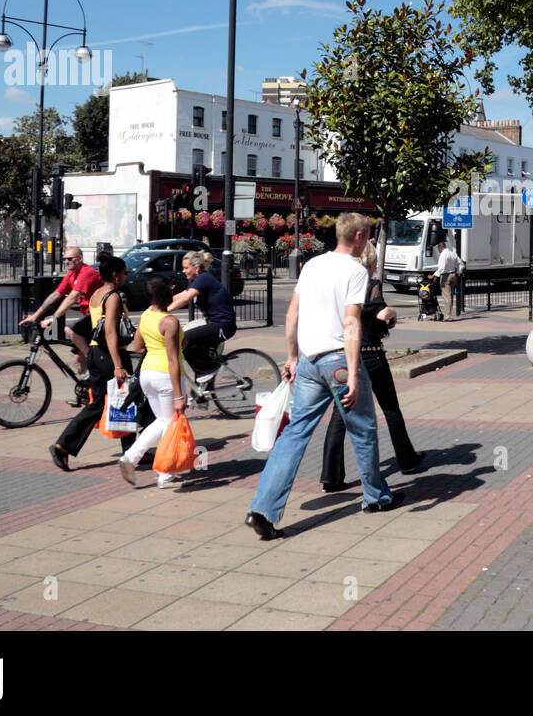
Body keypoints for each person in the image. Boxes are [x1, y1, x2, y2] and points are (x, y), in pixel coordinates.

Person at [246, 212, 397, 540]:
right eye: (368, 235)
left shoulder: (312, 265)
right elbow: (352, 323)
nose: (370, 240)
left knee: (295, 434)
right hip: (339, 360)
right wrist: (354, 374)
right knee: (363, 430)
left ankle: (262, 508)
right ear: (357, 236)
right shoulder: (355, 271)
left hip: (310, 362)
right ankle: (375, 496)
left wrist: (291, 357)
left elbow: (292, 314)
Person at [320, 241, 424, 491]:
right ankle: (407, 460)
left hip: (344, 356)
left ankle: (331, 477)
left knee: (339, 416)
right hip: (370, 355)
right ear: (370, 262)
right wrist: (392, 313)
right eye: (375, 261)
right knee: (390, 409)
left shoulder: (339, 285)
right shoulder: (369, 283)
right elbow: (380, 312)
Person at [49, 254, 137, 471]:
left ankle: (63, 445)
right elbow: (110, 332)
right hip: (111, 354)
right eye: (124, 272)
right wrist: (118, 364)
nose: (126, 276)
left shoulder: (98, 293)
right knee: (130, 398)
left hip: (95, 353)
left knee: (98, 404)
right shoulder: (114, 296)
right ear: (115, 275)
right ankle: (133, 451)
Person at [121, 278, 187, 489]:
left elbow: (138, 345)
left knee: (162, 421)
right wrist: (178, 395)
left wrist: (155, 346)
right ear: (167, 295)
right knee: (170, 423)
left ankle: (130, 458)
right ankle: (165, 475)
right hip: (166, 375)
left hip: (147, 373)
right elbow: (173, 358)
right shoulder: (170, 322)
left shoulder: (146, 315)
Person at [20, 246, 102, 374]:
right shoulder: (71, 275)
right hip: (88, 316)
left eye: (70, 259)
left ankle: (94, 361)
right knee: (79, 359)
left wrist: (52, 318)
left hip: (100, 315)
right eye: (64, 259)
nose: (66, 262)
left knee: (69, 329)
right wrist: (35, 316)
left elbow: (71, 298)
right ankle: (86, 387)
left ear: (80, 259)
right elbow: (55, 295)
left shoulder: (87, 273)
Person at [168, 250, 235, 381]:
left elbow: (186, 298)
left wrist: (164, 311)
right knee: (197, 353)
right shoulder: (200, 279)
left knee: (184, 339)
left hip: (223, 326)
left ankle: (210, 370)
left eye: (186, 268)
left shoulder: (204, 278)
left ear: (197, 268)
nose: (183, 271)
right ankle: (203, 393)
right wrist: (160, 303)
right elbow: (181, 295)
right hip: (214, 323)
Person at [433, 238, 461, 321]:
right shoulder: (453, 253)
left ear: (440, 247)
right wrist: (458, 271)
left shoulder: (443, 254)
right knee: (450, 295)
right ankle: (449, 314)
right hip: (453, 275)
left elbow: (441, 267)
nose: (439, 251)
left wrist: (434, 275)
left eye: (438, 249)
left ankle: (447, 316)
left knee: (446, 296)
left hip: (445, 276)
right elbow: (460, 263)